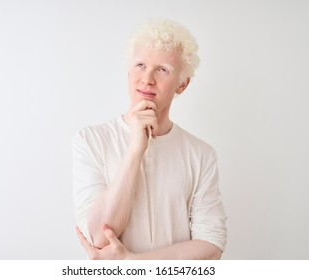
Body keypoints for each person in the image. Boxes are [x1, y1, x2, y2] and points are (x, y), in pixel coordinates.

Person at [72, 18, 227, 260]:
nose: (147, 79)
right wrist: (135, 150)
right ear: (128, 72)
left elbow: (212, 244)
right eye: (140, 65)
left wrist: (132, 263)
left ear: (182, 84)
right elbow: (99, 237)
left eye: (163, 69)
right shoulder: (90, 140)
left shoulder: (201, 154)